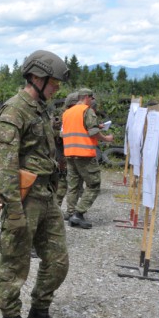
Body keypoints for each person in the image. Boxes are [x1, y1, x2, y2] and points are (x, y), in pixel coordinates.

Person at [0, 50, 71, 318]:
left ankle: (39, 313)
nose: (56, 88)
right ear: (36, 77)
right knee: (15, 262)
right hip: (23, 197)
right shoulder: (15, 111)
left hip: (45, 194)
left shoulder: (41, 108)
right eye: (53, 82)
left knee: (58, 260)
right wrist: (12, 210)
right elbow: (5, 165)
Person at [62, 88, 115, 229]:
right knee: (94, 184)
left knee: (73, 185)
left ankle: (70, 212)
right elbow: (93, 133)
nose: (93, 101)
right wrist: (106, 138)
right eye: (92, 98)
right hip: (84, 154)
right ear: (86, 97)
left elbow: (70, 131)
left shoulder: (67, 113)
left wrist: (97, 126)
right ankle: (78, 214)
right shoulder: (87, 110)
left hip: (69, 153)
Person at [53, 91, 81, 207]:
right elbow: (54, 133)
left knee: (71, 185)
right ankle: (56, 209)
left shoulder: (74, 115)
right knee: (62, 184)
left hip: (71, 154)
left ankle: (66, 210)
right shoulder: (64, 116)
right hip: (62, 155)